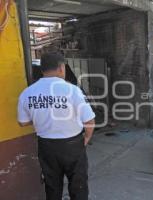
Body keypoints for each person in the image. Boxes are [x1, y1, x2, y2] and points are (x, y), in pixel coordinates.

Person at [17, 53, 95, 200]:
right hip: (73, 145)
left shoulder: (27, 93)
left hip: (46, 147)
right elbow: (89, 122)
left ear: (42, 70)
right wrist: (86, 139)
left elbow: (22, 122)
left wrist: (41, 118)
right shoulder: (72, 90)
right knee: (78, 186)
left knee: (52, 185)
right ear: (61, 68)